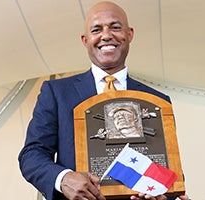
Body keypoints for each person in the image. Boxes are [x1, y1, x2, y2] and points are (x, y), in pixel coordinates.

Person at [18, 1, 189, 200]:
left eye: (115, 27)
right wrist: (63, 178)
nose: (106, 35)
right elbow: (31, 155)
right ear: (85, 39)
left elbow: (167, 168)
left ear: (129, 34)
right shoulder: (56, 92)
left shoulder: (158, 102)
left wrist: (164, 195)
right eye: (96, 29)